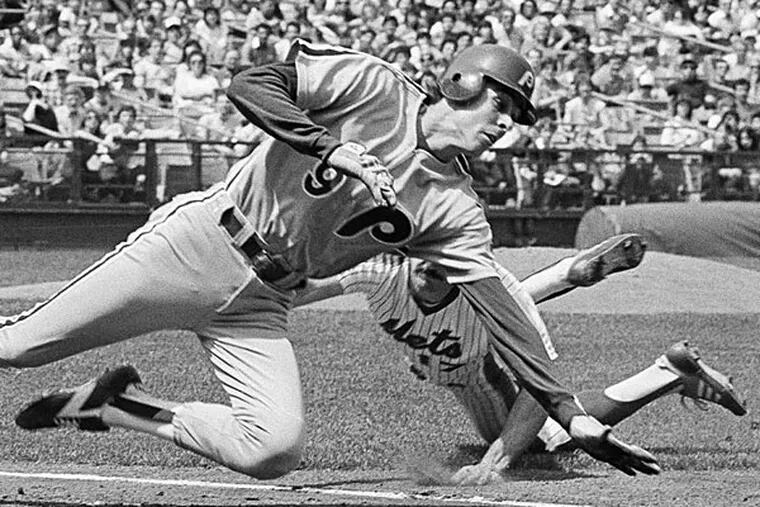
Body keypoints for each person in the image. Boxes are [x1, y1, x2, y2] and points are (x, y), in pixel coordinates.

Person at [0, 42, 658, 480]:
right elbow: (251, 84)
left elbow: (506, 317)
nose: (507, 121)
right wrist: (329, 146)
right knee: (17, 347)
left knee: (272, 449)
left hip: (264, 301)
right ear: (462, 83)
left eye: (515, 113)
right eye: (501, 102)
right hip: (200, 244)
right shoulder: (373, 86)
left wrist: (571, 414)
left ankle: (119, 407)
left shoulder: (457, 207)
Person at [287, 235, 746, 485]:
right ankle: (566, 274)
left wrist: (496, 460)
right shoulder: (381, 270)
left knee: (542, 442)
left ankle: (665, 373)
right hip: (459, 348)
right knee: (488, 313)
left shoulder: (493, 287)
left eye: (450, 253)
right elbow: (302, 291)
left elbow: (539, 383)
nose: (434, 262)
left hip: (476, 373)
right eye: (429, 249)